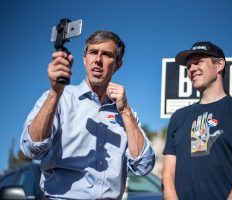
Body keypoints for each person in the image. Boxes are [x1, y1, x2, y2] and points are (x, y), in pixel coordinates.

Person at [20, 30, 155, 200]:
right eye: (93, 53)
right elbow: (32, 149)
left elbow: (144, 165)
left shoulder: (124, 112)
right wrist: (55, 93)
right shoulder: (60, 99)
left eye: (106, 54)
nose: (98, 60)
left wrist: (125, 111)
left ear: (118, 65)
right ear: (84, 60)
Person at [162, 41, 232, 200]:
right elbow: (168, 176)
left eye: (198, 62)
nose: (192, 69)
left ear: (219, 65)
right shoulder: (178, 117)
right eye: (188, 66)